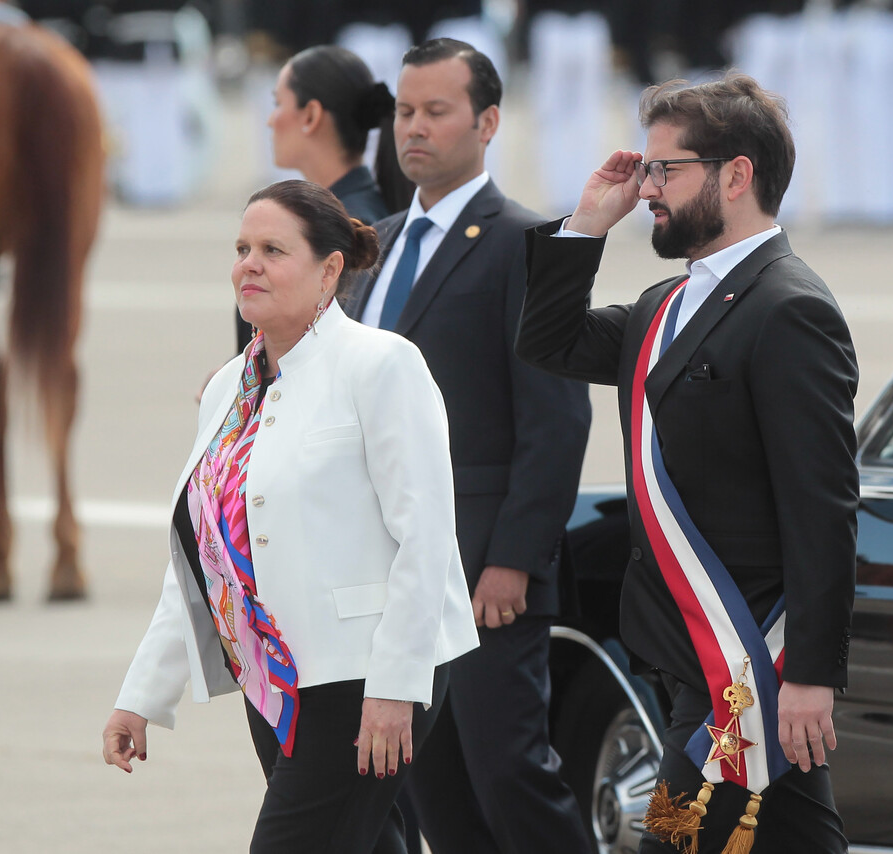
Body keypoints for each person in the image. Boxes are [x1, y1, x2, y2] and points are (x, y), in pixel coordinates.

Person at [517, 72, 858, 853]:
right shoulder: (666, 306)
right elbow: (548, 342)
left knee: (672, 839)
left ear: (736, 175)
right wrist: (585, 227)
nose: (647, 188)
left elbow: (824, 506)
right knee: (789, 838)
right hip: (686, 661)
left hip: (747, 670)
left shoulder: (789, 308)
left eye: (665, 169)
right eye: (646, 169)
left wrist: (808, 673)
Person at [102, 179, 479, 854]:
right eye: (242, 246)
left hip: (364, 675)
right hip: (273, 678)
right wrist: (142, 694)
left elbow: (425, 537)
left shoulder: (381, 365)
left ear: (329, 269)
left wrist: (396, 687)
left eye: (273, 249)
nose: (248, 263)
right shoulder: (228, 387)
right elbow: (203, 556)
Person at [343, 38, 593, 854]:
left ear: (487, 123)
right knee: (433, 792)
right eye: (404, 113)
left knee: (510, 775)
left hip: (482, 571)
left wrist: (515, 558)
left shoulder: (526, 241)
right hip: (380, 575)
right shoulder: (369, 249)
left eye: (436, 112)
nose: (413, 129)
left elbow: (555, 421)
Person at [236, 45, 414, 352]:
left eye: (278, 104)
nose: (270, 120)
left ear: (311, 115)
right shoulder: (349, 210)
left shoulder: (354, 226)